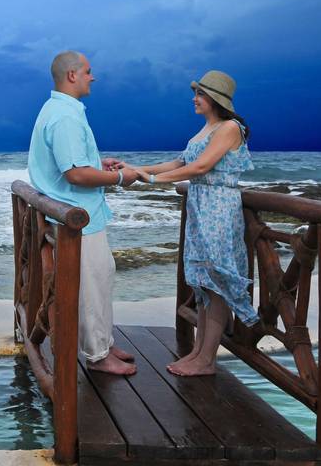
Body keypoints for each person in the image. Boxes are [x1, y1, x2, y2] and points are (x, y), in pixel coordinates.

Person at [131, 70, 259, 376]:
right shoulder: (205, 129)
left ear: (214, 98)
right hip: (201, 207)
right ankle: (199, 352)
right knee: (203, 281)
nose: (194, 98)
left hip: (219, 208)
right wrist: (137, 169)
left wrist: (152, 180)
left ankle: (207, 360)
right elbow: (179, 163)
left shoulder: (229, 127)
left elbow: (200, 167)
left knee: (216, 282)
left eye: (199, 94)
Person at [27, 50, 140, 376]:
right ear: (72, 75)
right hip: (76, 216)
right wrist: (120, 177)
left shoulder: (59, 109)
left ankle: (103, 341)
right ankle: (97, 355)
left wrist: (97, 166)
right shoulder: (65, 116)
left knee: (103, 275)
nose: (94, 77)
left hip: (80, 213)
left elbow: (74, 165)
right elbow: (74, 174)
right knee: (91, 285)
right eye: (89, 71)